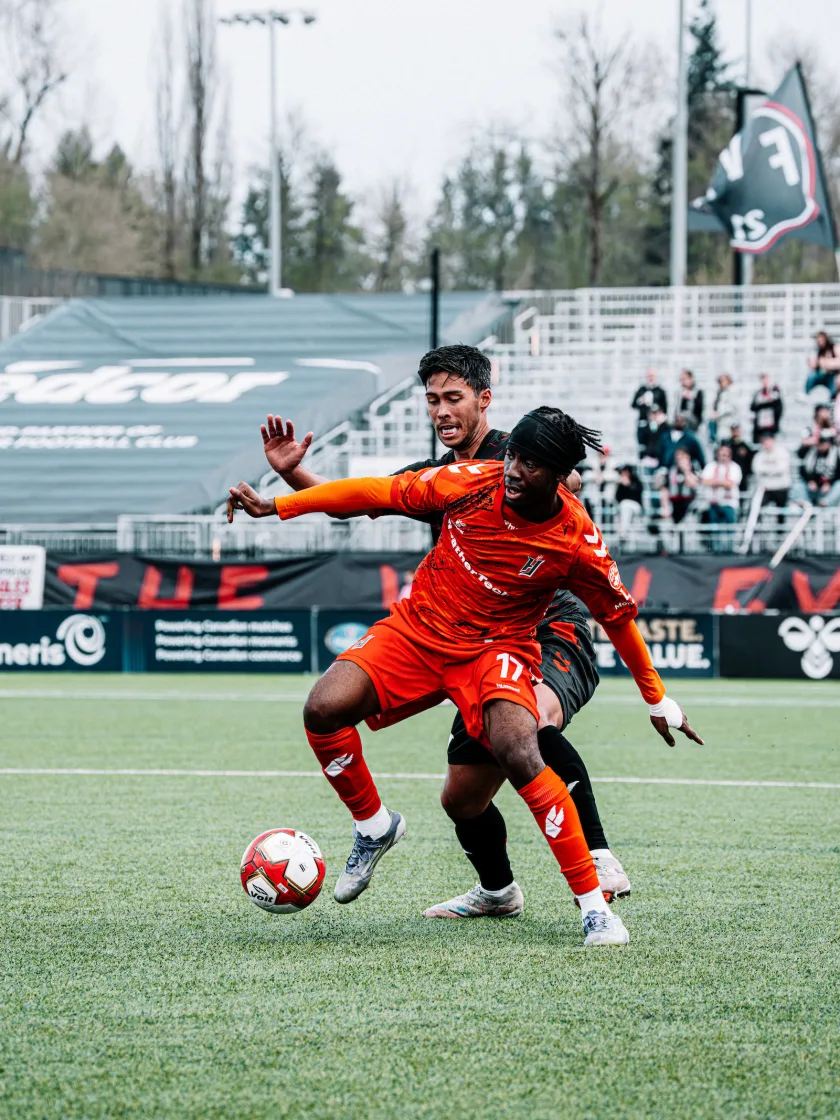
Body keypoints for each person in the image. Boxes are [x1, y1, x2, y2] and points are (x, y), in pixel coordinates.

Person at [229, 406, 702, 948]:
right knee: (323, 708)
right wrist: (278, 505)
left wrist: (656, 697)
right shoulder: (467, 482)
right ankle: (374, 826)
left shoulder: (576, 542)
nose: (515, 470)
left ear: (562, 476)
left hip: (495, 650)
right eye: (514, 457)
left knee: (521, 748)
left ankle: (595, 905)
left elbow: (618, 621)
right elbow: (372, 493)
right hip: (420, 628)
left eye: (531, 463)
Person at [250, 345, 632, 913]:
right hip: (467, 639)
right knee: (461, 799)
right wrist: (292, 477)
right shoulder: (440, 476)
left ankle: (597, 860)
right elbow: (360, 500)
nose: (441, 411)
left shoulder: (513, 456)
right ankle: (498, 892)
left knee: (530, 724)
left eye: (453, 398)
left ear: (484, 399)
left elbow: (567, 480)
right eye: (432, 401)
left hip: (550, 630)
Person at [700, 444, 742, 550]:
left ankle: (730, 551)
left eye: (726, 454)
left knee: (730, 529)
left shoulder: (734, 467)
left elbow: (731, 484)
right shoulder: (711, 466)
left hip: (729, 503)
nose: (723, 456)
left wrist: (715, 482)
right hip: (713, 502)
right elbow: (705, 481)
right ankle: (716, 551)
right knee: (714, 529)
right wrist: (722, 482)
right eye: (721, 453)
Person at [791, 430, 840, 507]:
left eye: (823, 443)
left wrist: (829, 483)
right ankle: (805, 504)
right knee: (798, 484)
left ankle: (824, 503)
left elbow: (838, 473)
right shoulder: (811, 451)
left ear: (829, 444)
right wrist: (810, 481)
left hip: (826, 489)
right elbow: (799, 458)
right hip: (812, 488)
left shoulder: (835, 453)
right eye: (819, 442)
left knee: (839, 485)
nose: (820, 445)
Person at [631, 368, 667, 454]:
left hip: (655, 424)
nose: (650, 378)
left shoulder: (660, 391)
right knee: (642, 446)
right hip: (643, 422)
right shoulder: (641, 390)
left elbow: (665, 408)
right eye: (649, 376)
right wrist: (640, 401)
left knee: (655, 444)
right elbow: (633, 405)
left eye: (652, 376)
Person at [752, 434, 792, 508]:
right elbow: (757, 469)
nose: (766, 445)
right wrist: (774, 470)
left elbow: (782, 469)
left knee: (781, 512)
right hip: (765, 489)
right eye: (764, 442)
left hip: (781, 488)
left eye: (768, 442)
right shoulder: (759, 456)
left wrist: (766, 471)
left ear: (773, 441)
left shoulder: (782, 452)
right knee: (755, 507)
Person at [661, 447, 699, 524]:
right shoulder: (671, 470)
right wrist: (665, 507)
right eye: (678, 456)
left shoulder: (694, 468)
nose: (679, 458)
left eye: (682, 456)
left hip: (689, 503)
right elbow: (665, 489)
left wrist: (686, 471)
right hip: (674, 502)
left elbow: (694, 484)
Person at [750, 374, 783, 445]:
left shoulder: (774, 393)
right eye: (763, 380)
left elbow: (779, 408)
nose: (764, 382)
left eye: (766, 380)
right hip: (760, 427)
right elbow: (752, 407)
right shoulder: (758, 394)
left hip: (771, 427)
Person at [805, 331, 840, 396]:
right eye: (818, 340)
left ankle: (832, 397)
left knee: (834, 381)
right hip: (821, 374)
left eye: (822, 339)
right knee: (811, 375)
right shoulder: (818, 351)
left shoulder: (834, 348)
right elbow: (813, 365)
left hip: (832, 374)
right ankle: (808, 395)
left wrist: (826, 363)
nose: (820, 342)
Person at [615, 464, 644, 539]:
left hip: (636, 505)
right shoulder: (620, 484)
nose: (624, 474)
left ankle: (623, 534)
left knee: (625, 505)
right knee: (624, 506)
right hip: (624, 505)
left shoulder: (636, 481)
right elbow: (617, 497)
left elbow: (638, 493)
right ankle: (623, 533)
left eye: (626, 472)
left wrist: (628, 485)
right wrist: (622, 486)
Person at [724, 424, 754, 493]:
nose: (735, 432)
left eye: (736, 430)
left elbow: (749, 459)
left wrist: (748, 472)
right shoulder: (727, 444)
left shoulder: (744, 445)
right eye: (733, 430)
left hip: (742, 472)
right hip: (729, 471)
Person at [709, 373, 736, 446]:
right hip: (718, 424)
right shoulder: (719, 392)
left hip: (727, 423)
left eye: (723, 380)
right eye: (720, 381)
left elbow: (731, 407)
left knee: (725, 443)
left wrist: (718, 413)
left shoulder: (732, 391)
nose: (721, 383)